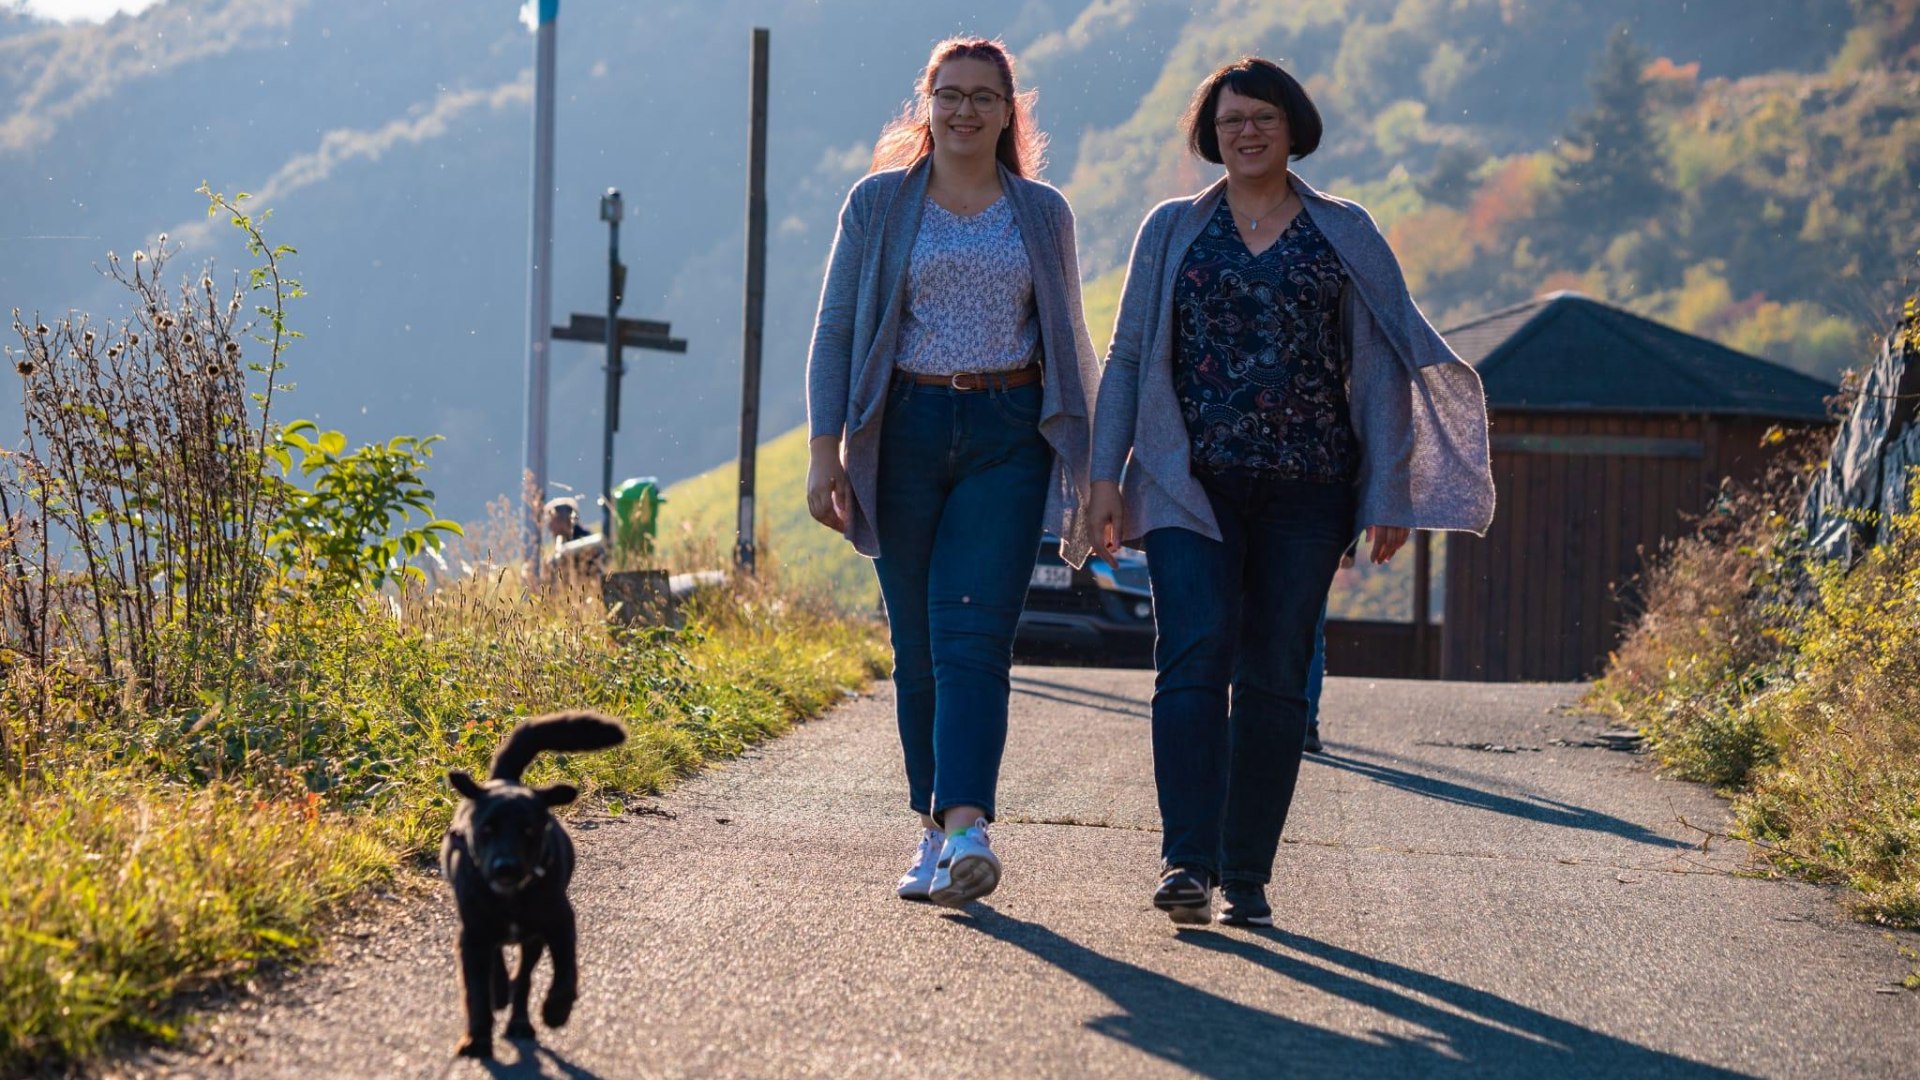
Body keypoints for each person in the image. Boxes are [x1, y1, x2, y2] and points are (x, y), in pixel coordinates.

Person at [1087, 57, 1493, 928]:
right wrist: (1102, 479)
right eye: (1231, 120)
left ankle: (1248, 874)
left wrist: (1387, 491)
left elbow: (1382, 367)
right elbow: (1125, 358)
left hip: (1311, 492)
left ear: (1292, 125)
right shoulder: (1171, 229)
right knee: (1192, 658)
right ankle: (1186, 861)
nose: (1246, 131)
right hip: (1187, 484)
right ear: (1212, 133)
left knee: (1275, 676)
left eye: (1263, 117)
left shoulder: (1342, 230)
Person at [804, 37, 1099, 907]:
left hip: (1010, 430)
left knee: (974, 636)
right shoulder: (879, 204)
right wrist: (827, 448)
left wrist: (1093, 463)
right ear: (925, 105)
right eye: (949, 94)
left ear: (1011, 111)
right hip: (903, 430)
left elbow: (1070, 335)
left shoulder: (1042, 212)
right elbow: (836, 328)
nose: (965, 110)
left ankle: (968, 826)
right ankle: (932, 830)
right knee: (920, 649)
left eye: (983, 96)